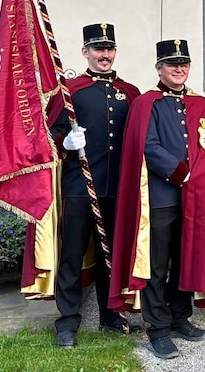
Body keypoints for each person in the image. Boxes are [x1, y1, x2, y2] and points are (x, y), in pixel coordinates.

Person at [109, 39, 205, 359]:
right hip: (160, 197)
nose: (179, 69)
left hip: (194, 199)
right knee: (157, 264)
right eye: (172, 64)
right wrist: (183, 174)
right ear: (159, 69)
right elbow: (147, 146)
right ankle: (158, 329)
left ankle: (180, 317)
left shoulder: (199, 103)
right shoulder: (147, 103)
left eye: (184, 64)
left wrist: (202, 179)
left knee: (185, 258)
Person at [47, 23, 141, 349]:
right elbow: (49, 138)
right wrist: (66, 143)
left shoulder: (130, 93)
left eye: (109, 49)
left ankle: (111, 316)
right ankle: (67, 322)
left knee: (111, 256)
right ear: (85, 52)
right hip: (79, 186)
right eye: (98, 49)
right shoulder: (70, 90)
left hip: (118, 187)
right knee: (72, 254)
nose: (105, 55)